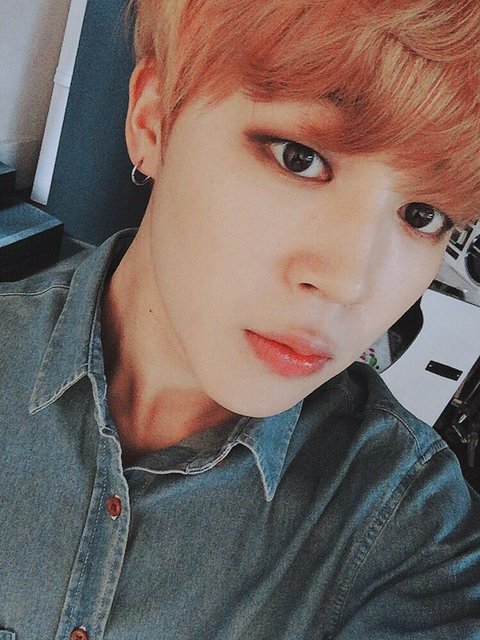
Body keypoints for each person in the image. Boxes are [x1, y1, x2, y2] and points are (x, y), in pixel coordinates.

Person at [1, 0, 479, 638]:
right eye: (299, 157)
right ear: (153, 120)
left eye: (423, 214)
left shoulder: (408, 531)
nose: (348, 282)